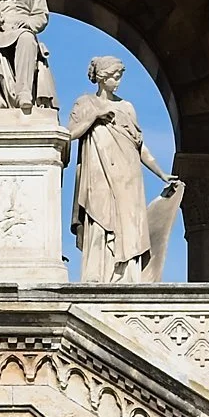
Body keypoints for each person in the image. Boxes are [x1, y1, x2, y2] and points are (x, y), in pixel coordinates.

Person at [66, 56, 180, 282]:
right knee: (98, 217)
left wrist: (160, 172)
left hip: (128, 175)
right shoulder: (85, 103)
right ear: (102, 77)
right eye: (114, 77)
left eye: (120, 77)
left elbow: (139, 146)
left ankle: (126, 277)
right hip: (97, 173)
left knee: (127, 223)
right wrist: (94, 118)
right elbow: (69, 135)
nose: (118, 82)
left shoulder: (127, 107)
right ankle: (96, 275)